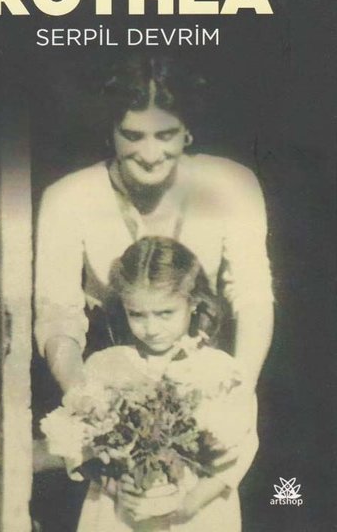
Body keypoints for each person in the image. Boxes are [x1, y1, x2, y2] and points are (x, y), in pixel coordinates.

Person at [35, 55, 274, 393]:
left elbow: (253, 298)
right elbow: (58, 314)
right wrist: (81, 393)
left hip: (209, 383)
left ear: (187, 131)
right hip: (110, 384)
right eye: (133, 136)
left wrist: (241, 388)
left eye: (166, 135)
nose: (149, 155)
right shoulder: (68, 198)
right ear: (110, 132)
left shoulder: (231, 186)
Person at [54, 237, 258, 532]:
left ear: (193, 303)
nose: (151, 329)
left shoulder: (219, 371)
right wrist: (116, 487)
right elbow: (76, 443)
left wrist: (189, 504)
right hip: (121, 513)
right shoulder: (105, 366)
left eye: (165, 313)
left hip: (196, 512)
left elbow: (240, 450)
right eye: (137, 314)